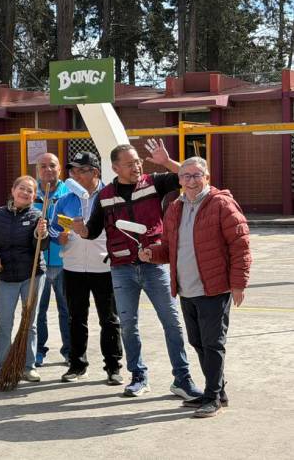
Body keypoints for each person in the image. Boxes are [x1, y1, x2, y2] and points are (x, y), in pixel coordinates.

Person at [72, 140, 201, 399]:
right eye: (130, 164)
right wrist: (80, 230)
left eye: (138, 161)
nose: (137, 167)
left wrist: (166, 161)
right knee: (128, 325)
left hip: (154, 266)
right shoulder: (105, 196)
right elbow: (92, 231)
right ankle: (138, 377)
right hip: (121, 269)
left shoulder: (154, 182)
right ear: (115, 168)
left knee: (172, 323)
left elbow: (187, 177)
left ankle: (182, 379)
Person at [139, 156, 251, 418]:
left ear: (207, 177)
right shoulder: (174, 208)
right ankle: (218, 390)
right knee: (197, 341)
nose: (191, 180)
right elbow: (169, 248)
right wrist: (152, 254)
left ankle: (212, 397)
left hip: (214, 288)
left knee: (213, 344)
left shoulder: (221, 204)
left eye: (197, 175)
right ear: (179, 180)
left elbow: (241, 246)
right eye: (186, 176)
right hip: (186, 289)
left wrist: (238, 284)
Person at [49, 153, 123, 385]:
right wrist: (58, 236)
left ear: (95, 172)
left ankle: (113, 367)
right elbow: (53, 228)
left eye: (81, 170)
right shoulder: (64, 200)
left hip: (104, 267)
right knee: (76, 318)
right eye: (73, 171)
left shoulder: (110, 196)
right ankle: (77, 365)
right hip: (72, 267)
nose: (75, 175)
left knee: (109, 320)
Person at [0, 175, 49, 383]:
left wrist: (41, 234)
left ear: (34, 196)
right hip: (6, 277)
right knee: (4, 324)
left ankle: (28, 366)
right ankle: (1, 367)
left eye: (30, 191)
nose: (25, 193)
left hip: (32, 275)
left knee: (30, 322)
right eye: (22, 188)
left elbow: (43, 246)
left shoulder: (38, 216)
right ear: (13, 190)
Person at [33, 153, 71, 367]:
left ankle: (70, 351)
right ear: (37, 170)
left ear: (60, 169)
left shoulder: (70, 194)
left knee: (68, 310)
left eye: (52, 165)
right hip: (38, 264)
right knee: (38, 312)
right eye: (43, 166)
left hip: (66, 263)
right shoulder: (30, 193)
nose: (48, 169)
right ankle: (38, 350)